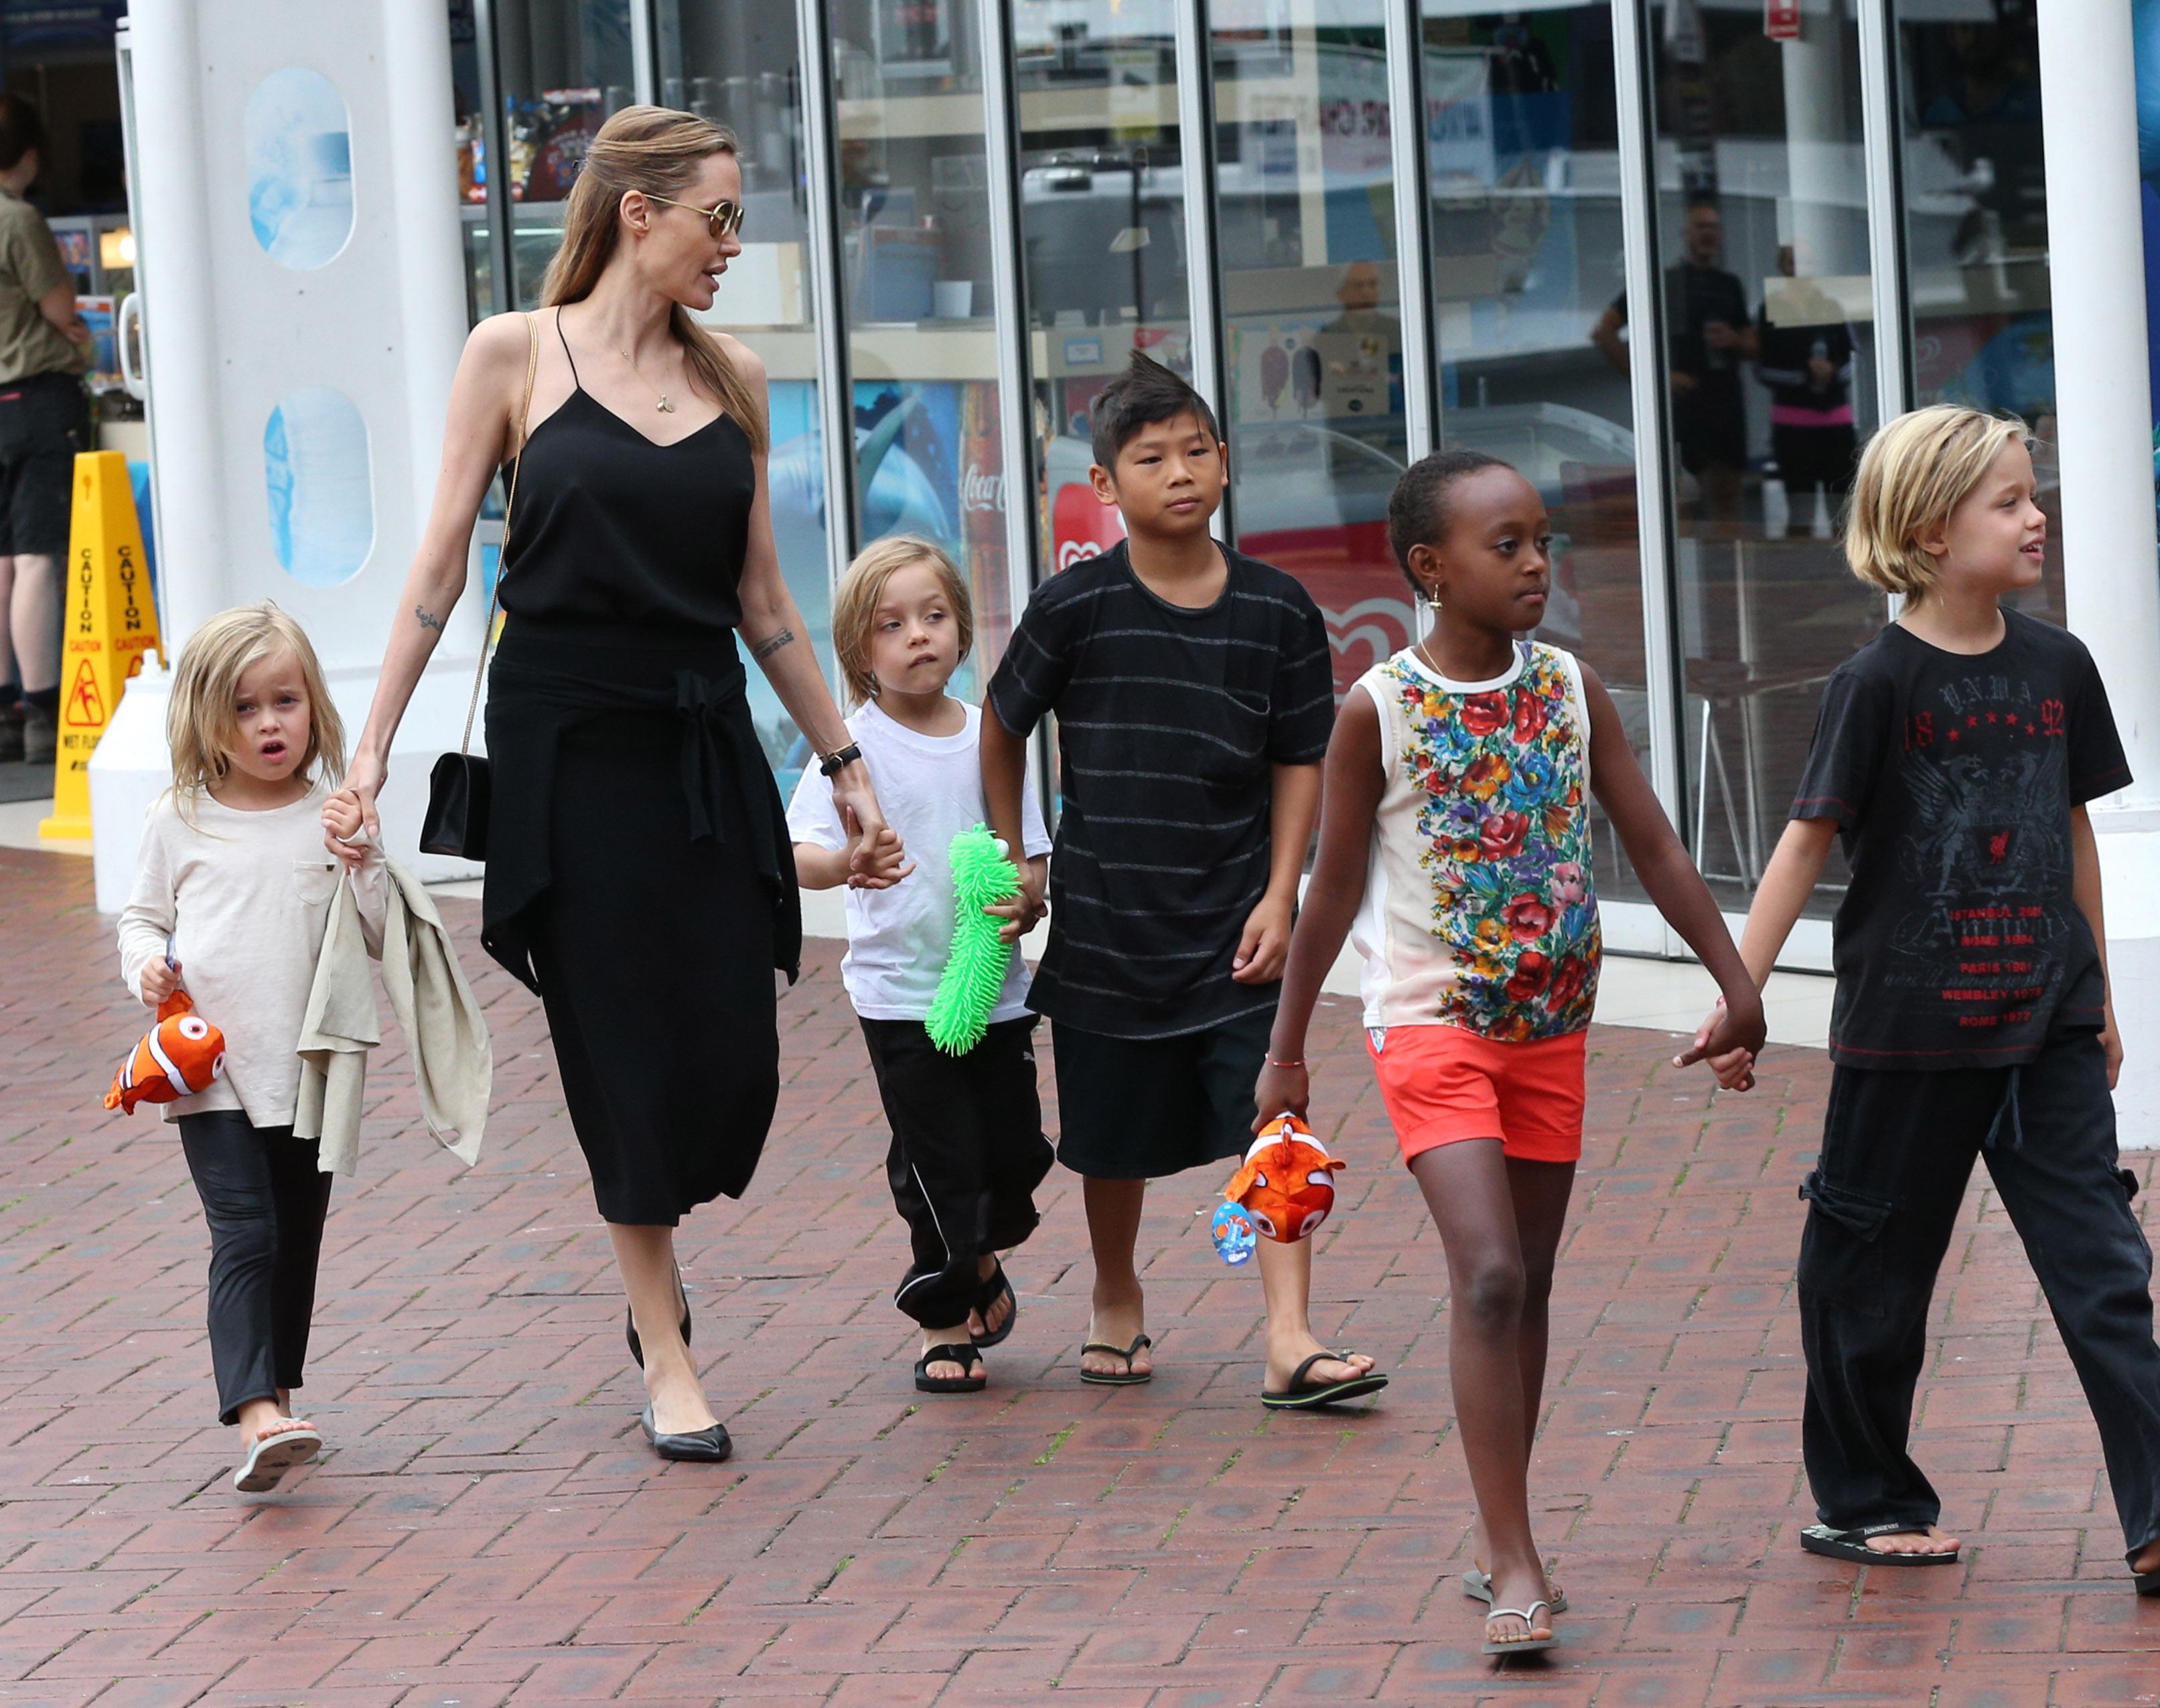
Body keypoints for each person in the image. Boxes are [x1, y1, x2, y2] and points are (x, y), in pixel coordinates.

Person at [332, 106, 902, 1466]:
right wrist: (368, 749)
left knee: (728, 1050)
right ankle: (664, 1339)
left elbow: (764, 602)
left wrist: (845, 759)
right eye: (717, 220)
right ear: (637, 212)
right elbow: (433, 579)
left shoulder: (737, 380)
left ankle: (661, 1271)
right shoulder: (514, 356)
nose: (731, 248)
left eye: (740, 224)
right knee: (621, 1043)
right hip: (566, 746)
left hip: (699, 738)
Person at [1690, 406, 2160, 1594]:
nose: (2035, 514)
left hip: (2045, 1024)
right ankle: (1865, 1501)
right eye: (2007, 500)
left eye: (2030, 492)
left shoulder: (2058, 666)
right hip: (1906, 1037)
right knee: (1866, 1282)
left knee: (2105, 1267)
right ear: (1928, 530)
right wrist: (1741, 995)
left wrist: (2096, 990)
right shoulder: (1876, 681)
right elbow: (1803, 846)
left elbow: (2075, 838)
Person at [1254, 449, 1766, 1654]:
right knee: (1487, 1272)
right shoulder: (1377, 709)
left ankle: (1506, 1531)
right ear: (1430, 569)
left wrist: (1738, 985)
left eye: (1543, 541)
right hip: (1429, 1024)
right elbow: (1331, 897)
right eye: (1508, 545)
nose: (1536, 562)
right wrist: (1287, 1053)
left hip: (1552, 1027)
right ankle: (1515, 1555)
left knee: (1527, 1285)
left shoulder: (1575, 689)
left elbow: (1652, 844)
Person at [980, 350, 1379, 1405]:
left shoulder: (1281, 609)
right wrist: (1015, 855)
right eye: (1150, 457)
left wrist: (1280, 893)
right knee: (1108, 1139)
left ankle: (1290, 1334)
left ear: (1228, 464)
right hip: (1108, 921)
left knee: (1275, 1114)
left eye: (1197, 450)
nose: (1179, 471)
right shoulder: (1073, 606)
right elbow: (1002, 721)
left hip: (1236, 923)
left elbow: (1302, 756)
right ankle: (1116, 1292)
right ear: (1106, 486)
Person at [118, 603, 381, 1494]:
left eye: (285, 700)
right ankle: (256, 1409)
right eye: (243, 707)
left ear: (313, 705)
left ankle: (278, 1391)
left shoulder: (328, 816)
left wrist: (364, 860)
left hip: (305, 1070)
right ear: (204, 717)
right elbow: (143, 916)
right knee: (246, 1230)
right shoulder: (179, 818)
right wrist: (147, 965)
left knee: (296, 1235)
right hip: (211, 1068)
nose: (269, 723)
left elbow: (378, 933)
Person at [790, 537, 1055, 1395]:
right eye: (892, 625)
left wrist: (1028, 898)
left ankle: (979, 1259)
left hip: (997, 992)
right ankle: (943, 1323)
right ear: (859, 650)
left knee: (1015, 1158)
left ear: (963, 627)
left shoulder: (991, 739)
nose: (918, 637)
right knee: (942, 1165)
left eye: (934, 616)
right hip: (900, 995)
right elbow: (800, 852)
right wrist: (848, 866)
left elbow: (1033, 851)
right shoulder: (851, 749)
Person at [0, 94, 89, 766]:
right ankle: (41, 710)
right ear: (28, 156)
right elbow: (59, 307)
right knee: (35, 557)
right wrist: (76, 333)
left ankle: (3, 704)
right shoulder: (18, 218)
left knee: (1, 559)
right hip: (35, 398)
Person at [1591, 198, 1754, 522]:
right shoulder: (1665, 282)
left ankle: (1728, 571)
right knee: (1681, 504)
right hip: (1683, 408)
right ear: (1686, 234)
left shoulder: (1729, 284)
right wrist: (1651, 380)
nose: (1708, 233)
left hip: (1726, 405)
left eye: (1714, 227)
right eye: (1701, 227)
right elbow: (1603, 331)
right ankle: (1682, 571)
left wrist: (1734, 340)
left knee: (1727, 498)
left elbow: (1754, 345)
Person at [1755, 246, 1859, 539]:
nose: (1800, 269)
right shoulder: (1771, 308)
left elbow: (1853, 360)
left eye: (1807, 262)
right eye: (1792, 262)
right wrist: (1805, 375)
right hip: (1792, 426)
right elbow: (1762, 369)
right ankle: (1799, 574)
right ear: (1783, 268)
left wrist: (1833, 374)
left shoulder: (1832, 306)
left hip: (1836, 424)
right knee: (1800, 513)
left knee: (1844, 514)